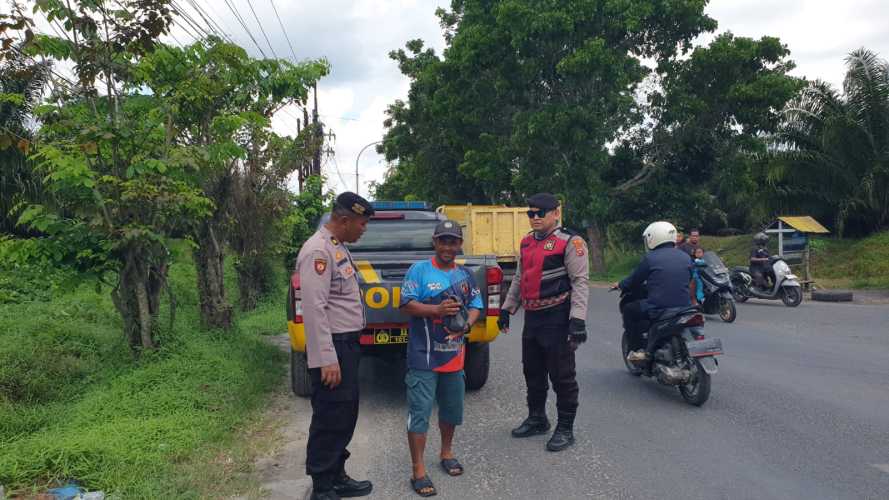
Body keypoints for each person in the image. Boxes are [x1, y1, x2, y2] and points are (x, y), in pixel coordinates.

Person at [298, 192, 375, 500]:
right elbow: (314, 310)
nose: (363, 229)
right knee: (330, 416)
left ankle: (336, 475)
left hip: (346, 345)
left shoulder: (337, 246)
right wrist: (326, 359)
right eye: (362, 224)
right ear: (344, 220)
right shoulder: (317, 251)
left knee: (345, 413)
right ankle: (322, 486)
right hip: (333, 348)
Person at [499, 193, 590, 452]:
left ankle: (565, 428)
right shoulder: (527, 242)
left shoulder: (571, 242)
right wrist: (507, 309)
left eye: (541, 213)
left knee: (562, 376)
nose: (535, 217)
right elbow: (519, 278)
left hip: (558, 317)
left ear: (556, 213)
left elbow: (580, 283)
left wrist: (578, 320)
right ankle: (538, 418)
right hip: (533, 318)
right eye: (531, 213)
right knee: (533, 371)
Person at [399, 220, 483, 497]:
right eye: (443, 241)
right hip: (423, 358)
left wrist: (468, 324)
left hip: (454, 358)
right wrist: (436, 309)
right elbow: (406, 304)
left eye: (453, 241)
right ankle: (418, 469)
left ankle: (446, 452)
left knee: (451, 411)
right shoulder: (419, 271)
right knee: (419, 413)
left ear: (460, 245)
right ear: (434, 242)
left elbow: (476, 306)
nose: (448, 247)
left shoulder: (465, 275)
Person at [613, 221, 695, 367]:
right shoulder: (685, 257)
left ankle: (637, 350)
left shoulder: (651, 258)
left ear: (653, 238)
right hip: (685, 307)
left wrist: (620, 285)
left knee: (629, 310)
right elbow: (689, 279)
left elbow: (634, 280)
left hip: (659, 307)